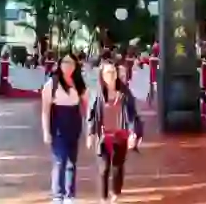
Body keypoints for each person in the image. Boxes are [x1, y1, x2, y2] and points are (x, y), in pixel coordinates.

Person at [86, 61, 144, 204]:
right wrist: (90, 133)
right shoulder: (97, 92)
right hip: (103, 135)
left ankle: (115, 193)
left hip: (120, 135)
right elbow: (91, 114)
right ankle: (104, 198)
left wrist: (133, 134)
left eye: (113, 72)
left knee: (117, 167)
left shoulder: (124, 92)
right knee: (103, 168)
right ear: (102, 75)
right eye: (107, 73)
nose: (110, 75)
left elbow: (132, 114)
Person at [41, 52, 87, 204]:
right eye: (65, 62)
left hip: (74, 124)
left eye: (71, 63)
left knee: (71, 161)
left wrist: (91, 127)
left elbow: (87, 106)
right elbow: (45, 110)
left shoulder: (79, 84)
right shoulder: (51, 84)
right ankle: (58, 195)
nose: (68, 66)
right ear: (60, 65)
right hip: (58, 124)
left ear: (76, 66)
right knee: (60, 160)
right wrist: (46, 132)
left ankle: (70, 195)